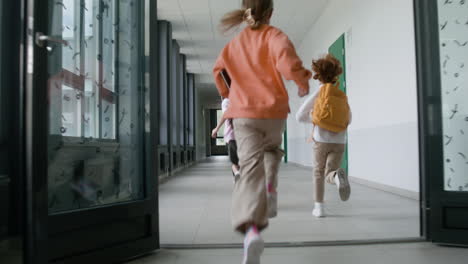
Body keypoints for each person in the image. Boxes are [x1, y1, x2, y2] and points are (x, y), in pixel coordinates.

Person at [213, 0, 311, 263]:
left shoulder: (234, 45)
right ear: (270, 13)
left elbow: (218, 70)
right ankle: (271, 188)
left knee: (249, 167)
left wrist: (227, 94)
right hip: (274, 113)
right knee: (272, 151)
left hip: (244, 114)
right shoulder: (275, 36)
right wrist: (302, 82)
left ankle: (252, 231)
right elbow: (288, 63)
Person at [296, 54, 352, 218]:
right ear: (336, 76)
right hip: (340, 141)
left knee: (318, 173)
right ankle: (336, 176)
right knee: (329, 172)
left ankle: (319, 208)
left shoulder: (319, 93)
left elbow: (300, 116)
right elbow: (349, 118)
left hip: (321, 141)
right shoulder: (340, 95)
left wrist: (315, 118)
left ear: (318, 76)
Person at [212, 98, 241, 182]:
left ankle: (236, 173)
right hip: (242, 137)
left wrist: (216, 129)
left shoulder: (226, 101)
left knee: (234, 163)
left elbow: (225, 115)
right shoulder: (242, 99)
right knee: (240, 161)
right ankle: (239, 176)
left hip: (230, 137)